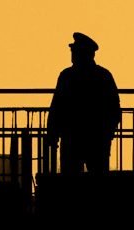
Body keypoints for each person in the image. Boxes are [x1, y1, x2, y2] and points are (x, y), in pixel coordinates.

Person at [47, 32, 120, 173]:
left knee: (71, 182)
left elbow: (57, 107)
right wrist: (107, 135)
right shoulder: (103, 75)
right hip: (95, 139)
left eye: (75, 51)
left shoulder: (67, 76)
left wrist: (53, 134)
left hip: (74, 138)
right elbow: (114, 109)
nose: (72, 54)